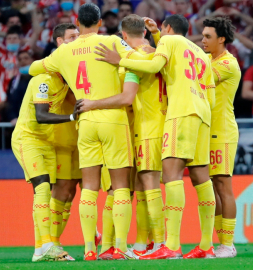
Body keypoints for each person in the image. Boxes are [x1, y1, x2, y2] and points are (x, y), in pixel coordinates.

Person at [29, 3, 149, 260]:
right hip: (113, 119)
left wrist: (59, 65)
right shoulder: (112, 43)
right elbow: (141, 57)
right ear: (99, 22)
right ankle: (120, 247)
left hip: (84, 122)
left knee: (89, 188)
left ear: (78, 21)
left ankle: (89, 249)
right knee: (119, 187)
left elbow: (33, 68)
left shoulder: (64, 51)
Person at [95, 14, 217, 259]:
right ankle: (206, 245)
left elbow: (153, 66)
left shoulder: (169, 42)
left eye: (161, 30)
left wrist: (121, 60)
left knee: (171, 175)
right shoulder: (202, 55)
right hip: (204, 113)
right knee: (202, 178)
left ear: (168, 28)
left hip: (180, 112)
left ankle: (170, 246)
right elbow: (212, 96)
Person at [78, 14, 167, 259]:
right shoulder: (158, 54)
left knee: (120, 189)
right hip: (150, 125)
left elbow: (124, 96)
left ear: (123, 36)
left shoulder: (127, 61)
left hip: (126, 126)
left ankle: (111, 245)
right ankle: (144, 244)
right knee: (140, 187)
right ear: (146, 33)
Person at [11, 47, 79, 263]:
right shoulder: (43, 80)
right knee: (41, 187)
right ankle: (49, 244)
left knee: (45, 193)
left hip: (47, 141)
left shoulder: (65, 82)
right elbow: (41, 116)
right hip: (28, 138)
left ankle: (40, 249)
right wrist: (71, 117)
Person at [201, 16, 241, 258]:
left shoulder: (228, 64)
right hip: (205, 130)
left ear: (221, 39)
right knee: (212, 189)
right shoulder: (207, 59)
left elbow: (197, 78)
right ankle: (219, 243)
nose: (203, 40)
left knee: (223, 186)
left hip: (222, 131)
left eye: (208, 36)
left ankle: (228, 244)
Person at [49, 23, 81, 256]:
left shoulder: (78, 61)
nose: (77, 40)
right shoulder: (54, 63)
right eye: (72, 37)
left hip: (79, 133)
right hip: (61, 135)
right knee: (61, 189)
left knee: (71, 191)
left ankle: (56, 240)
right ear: (60, 41)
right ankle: (49, 241)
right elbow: (73, 95)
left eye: (78, 36)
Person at [4, 50, 32, 125]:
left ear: (32, 60)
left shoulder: (40, 78)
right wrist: (12, 117)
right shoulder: (13, 81)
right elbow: (10, 101)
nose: (23, 61)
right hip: (17, 122)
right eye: (20, 59)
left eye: (26, 58)